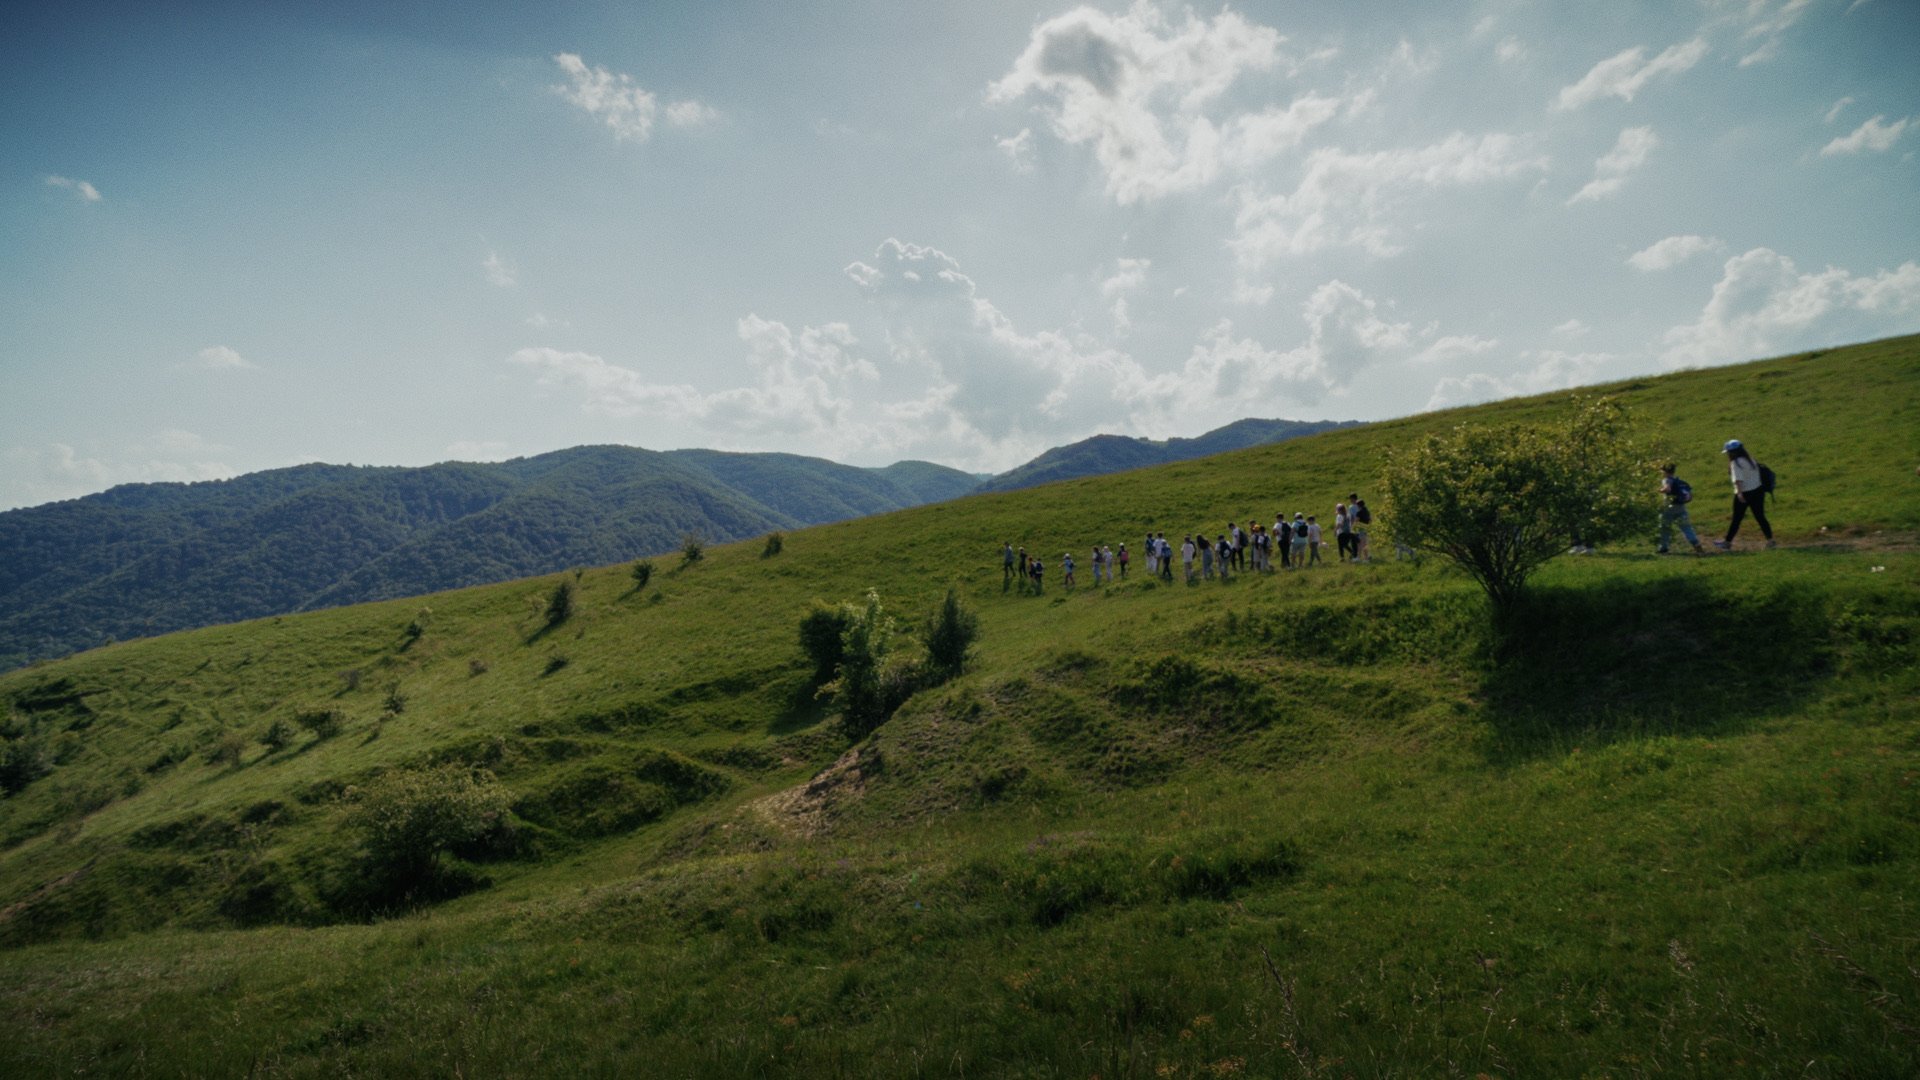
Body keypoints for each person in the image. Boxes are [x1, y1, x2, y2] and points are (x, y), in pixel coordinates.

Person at [1714, 439, 1775, 550]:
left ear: (1732, 452)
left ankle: (1727, 543)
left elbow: (1738, 480)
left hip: (1745, 493)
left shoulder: (1735, 463)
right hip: (1758, 491)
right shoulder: (1751, 460)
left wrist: (1739, 494)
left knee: (1736, 519)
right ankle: (1770, 540)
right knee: (1760, 517)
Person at [1656, 463, 1706, 554]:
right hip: (1681, 507)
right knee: (1686, 527)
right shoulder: (1679, 481)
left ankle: (1663, 547)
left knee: (1665, 527)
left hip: (1669, 507)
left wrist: (1659, 490)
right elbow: (1689, 496)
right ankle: (1696, 544)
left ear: (1664, 471)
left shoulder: (1666, 480)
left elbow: (1667, 489)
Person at [1350, 494, 1372, 562]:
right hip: (1366, 528)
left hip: (1361, 529)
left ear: (1358, 505)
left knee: (1362, 544)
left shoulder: (1359, 512)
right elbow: (1370, 519)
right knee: (1361, 543)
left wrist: (1352, 528)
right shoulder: (1367, 511)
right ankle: (1359, 557)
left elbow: (1356, 521)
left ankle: (1365, 559)